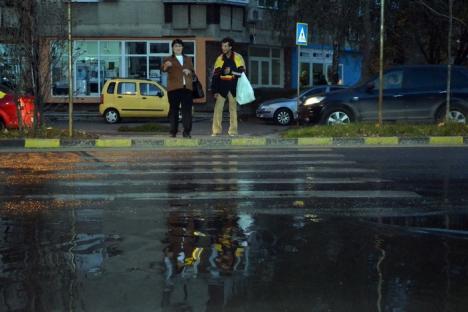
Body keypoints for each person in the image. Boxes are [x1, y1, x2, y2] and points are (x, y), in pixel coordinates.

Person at [211, 37, 246, 136]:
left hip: (234, 87)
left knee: (233, 110)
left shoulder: (238, 57)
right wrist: (214, 91)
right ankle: (216, 131)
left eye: (225, 46)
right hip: (221, 87)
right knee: (217, 110)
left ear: (230, 47)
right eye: (222, 45)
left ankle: (233, 131)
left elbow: (242, 73)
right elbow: (215, 76)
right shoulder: (219, 58)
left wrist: (231, 71)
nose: (223, 48)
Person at [162, 39, 194, 138]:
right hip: (174, 89)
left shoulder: (188, 59)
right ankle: (173, 131)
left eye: (179, 46)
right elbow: (163, 70)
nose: (178, 48)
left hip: (187, 88)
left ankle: (187, 132)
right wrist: (166, 66)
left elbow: (192, 71)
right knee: (173, 110)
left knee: (187, 111)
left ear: (182, 48)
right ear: (172, 48)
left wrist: (189, 71)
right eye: (176, 46)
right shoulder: (168, 59)